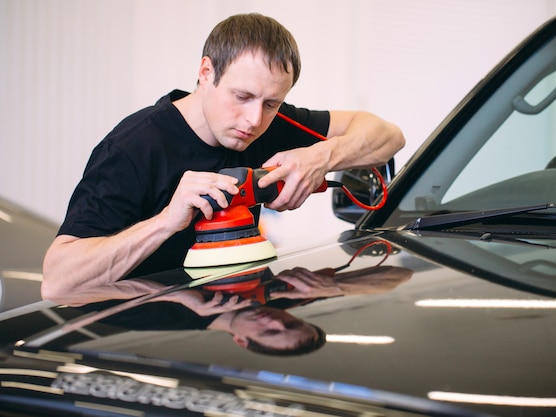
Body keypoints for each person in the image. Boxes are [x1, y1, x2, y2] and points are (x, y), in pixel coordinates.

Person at [41, 13, 405, 300]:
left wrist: (321, 158)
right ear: (206, 73)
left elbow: (388, 135)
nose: (254, 120)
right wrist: (166, 221)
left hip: (230, 329)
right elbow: (57, 282)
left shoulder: (268, 120)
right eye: (242, 96)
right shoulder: (132, 149)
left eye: (271, 103)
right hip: (142, 354)